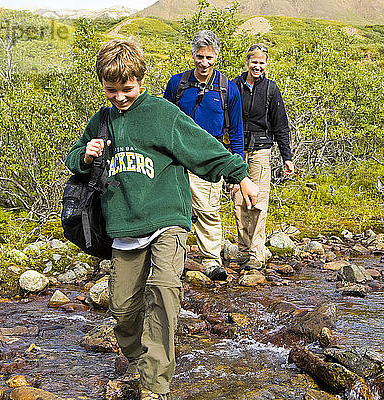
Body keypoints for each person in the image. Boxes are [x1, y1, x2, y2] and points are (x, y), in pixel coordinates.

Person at [65, 39, 258, 400]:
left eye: (127, 88)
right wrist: (86, 155)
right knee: (122, 311)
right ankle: (144, 360)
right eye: (112, 90)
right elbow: (74, 158)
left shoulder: (161, 114)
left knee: (164, 293)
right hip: (123, 228)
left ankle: (155, 386)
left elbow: (202, 147)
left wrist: (240, 175)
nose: (120, 96)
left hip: (168, 219)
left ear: (140, 80)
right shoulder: (102, 121)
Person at [163, 30, 244, 281]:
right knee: (173, 210)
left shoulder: (228, 89)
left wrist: (237, 170)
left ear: (216, 56)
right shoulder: (177, 84)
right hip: (177, 157)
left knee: (208, 210)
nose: (204, 63)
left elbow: (237, 131)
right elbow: (164, 121)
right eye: (200, 57)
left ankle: (211, 261)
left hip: (211, 159)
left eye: (209, 57)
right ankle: (171, 262)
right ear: (192, 55)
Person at [232, 43, 294, 270]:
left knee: (257, 200)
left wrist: (286, 156)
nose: (257, 66)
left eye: (261, 63)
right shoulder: (234, 86)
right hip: (237, 150)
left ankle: (256, 253)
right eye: (254, 62)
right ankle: (243, 249)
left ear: (266, 64)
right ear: (247, 62)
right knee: (238, 200)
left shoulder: (270, 89)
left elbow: (281, 124)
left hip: (261, 149)